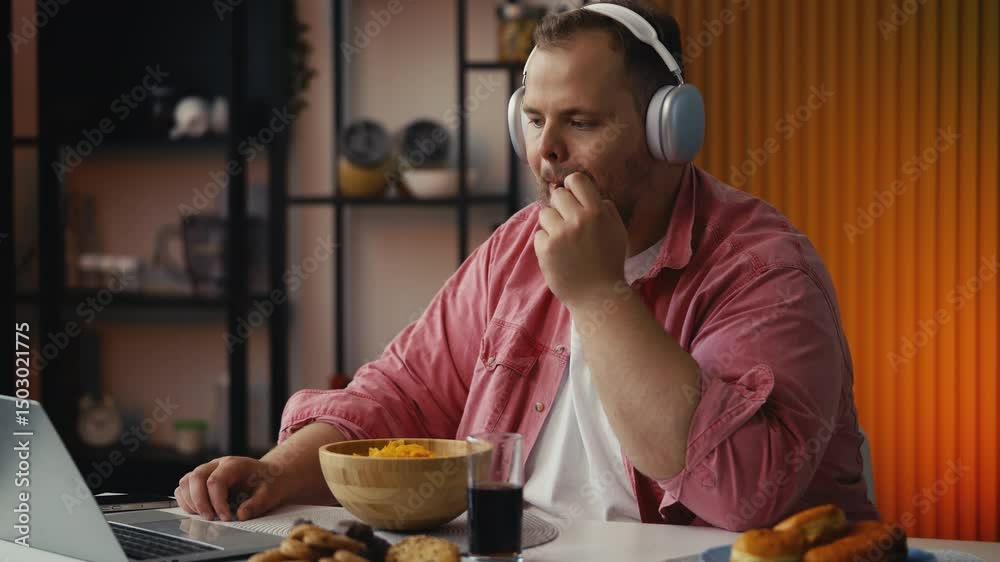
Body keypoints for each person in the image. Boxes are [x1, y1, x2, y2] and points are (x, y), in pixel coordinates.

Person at [175, 0, 879, 531]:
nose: (546, 153)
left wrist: (599, 295)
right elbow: (401, 395)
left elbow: (747, 494)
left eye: (582, 122)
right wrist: (277, 471)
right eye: (535, 120)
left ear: (670, 130)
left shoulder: (764, 269)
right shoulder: (515, 248)